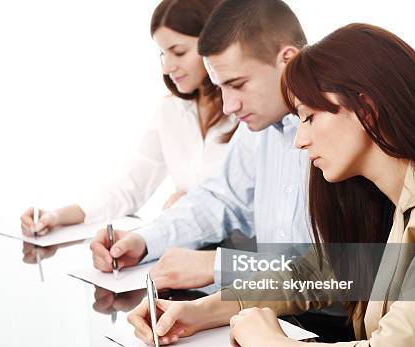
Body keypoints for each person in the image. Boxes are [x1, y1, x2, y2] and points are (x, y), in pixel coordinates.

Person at [128, 23, 415, 347]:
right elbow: (310, 276)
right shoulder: (388, 202)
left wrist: (271, 345)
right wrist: (199, 311)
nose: (299, 139)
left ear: (367, 111)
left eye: (309, 117)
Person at [90, 0, 311, 291]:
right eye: (221, 87)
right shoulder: (258, 128)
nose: (229, 106)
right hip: (273, 306)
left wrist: (219, 265)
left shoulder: (344, 126)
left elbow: (353, 272)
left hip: (334, 328)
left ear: (287, 60)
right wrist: (144, 241)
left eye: (238, 84)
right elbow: (219, 200)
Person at [20, 0, 238, 237]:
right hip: (185, 251)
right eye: (163, 54)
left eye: (178, 52)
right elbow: (129, 189)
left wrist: (188, 208)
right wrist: (58, 216)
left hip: (241, 258)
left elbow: (251, 207)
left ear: (215, 43)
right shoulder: (170, 111)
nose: (167, 67)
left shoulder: (249, 113)